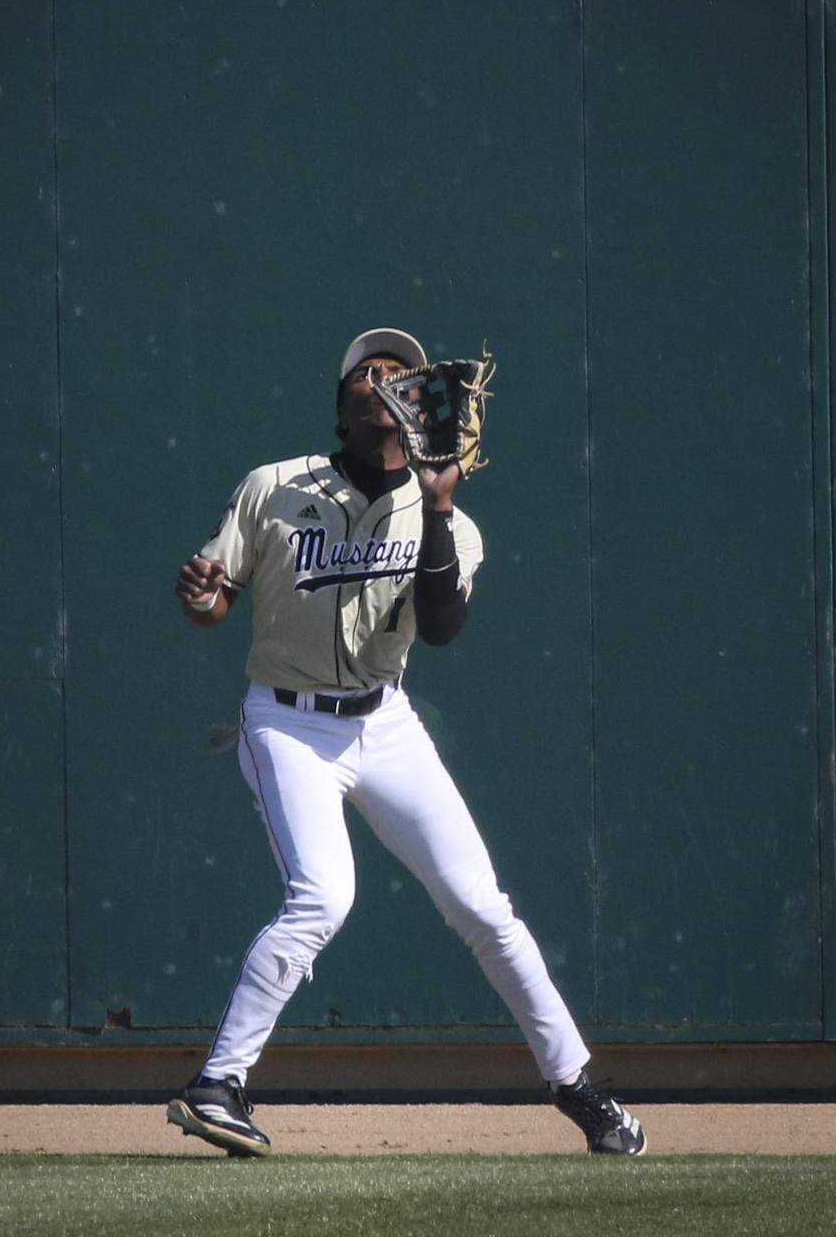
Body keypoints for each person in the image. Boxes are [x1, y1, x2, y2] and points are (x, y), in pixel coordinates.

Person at [167, 327, 645, 1158]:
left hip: (385, 723)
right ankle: (217, 1084)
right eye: (369, 371)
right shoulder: (274, 486)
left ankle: (580, 1089)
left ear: (423, 404)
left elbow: (446, 629)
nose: (387, 379)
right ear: (345, 400)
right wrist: (201, 595)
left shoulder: (452, 522)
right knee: (322, 896)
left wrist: (437, 502)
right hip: (285, 719)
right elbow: (211, 606)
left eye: (403, 372)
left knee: (485, 910)